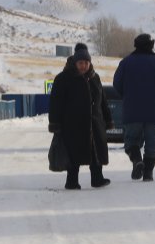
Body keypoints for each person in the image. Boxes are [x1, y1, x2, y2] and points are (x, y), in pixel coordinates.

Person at [48, 43, 112, 190]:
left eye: (86, 62)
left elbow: (103, 101)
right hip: (72, 124)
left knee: (96, 151)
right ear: (75, 62)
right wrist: (55, 123)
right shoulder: (63, 79)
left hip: (95, 123)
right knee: (73, 153)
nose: (84, 66)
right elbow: (55, 103)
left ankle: (97, 179)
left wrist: (108, 119)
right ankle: (71, 181)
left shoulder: (95, 78)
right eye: (81, 63)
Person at [112, 33, 155, 181]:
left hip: (132, 111)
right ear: (151, 45)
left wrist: (127, 97)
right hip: (154, 111)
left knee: (131, 141)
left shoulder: (126, 63)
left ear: (136, 45)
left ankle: (137, 161)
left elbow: (117, 84)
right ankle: (148, 173)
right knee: (152, 144)